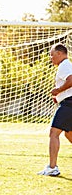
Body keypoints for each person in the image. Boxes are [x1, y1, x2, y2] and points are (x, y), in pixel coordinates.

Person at [38, 43, 72, 176]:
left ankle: (52, 168)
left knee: (54, 133)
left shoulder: (64, 65)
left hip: (69, 104)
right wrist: (59, 96)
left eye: (52, 55)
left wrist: (58, 90)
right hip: (68, 102)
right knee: (69, 134)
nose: (51, 58)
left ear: (60, 53)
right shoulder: (66, 65)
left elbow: (71, 79)